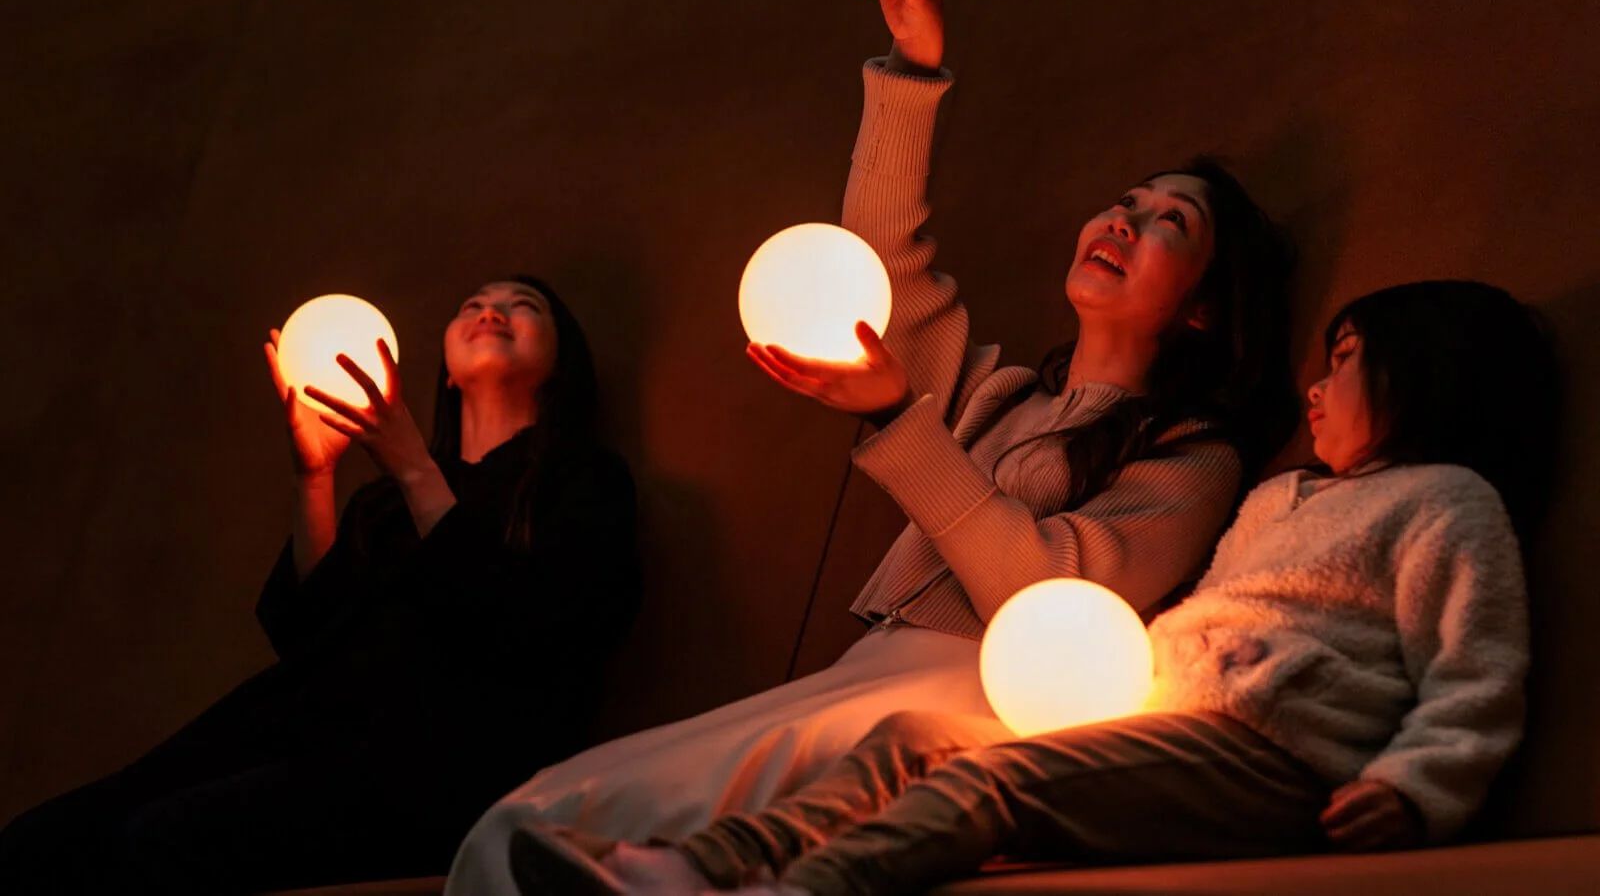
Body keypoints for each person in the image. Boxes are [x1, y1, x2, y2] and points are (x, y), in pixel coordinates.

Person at [443, 0, 1299, 895]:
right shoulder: (998, 395)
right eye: (1124, 201)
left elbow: (1042, 594)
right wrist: (913, 71)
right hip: (864, 666)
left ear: (1203, 307)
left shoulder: (1193, 457)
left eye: (1167, 222)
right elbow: (882, 264)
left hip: (963, 697)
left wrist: (901, 418)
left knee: (556, 830)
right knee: (525, 818)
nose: (1122, 219)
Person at [509, 279, 1558, 896]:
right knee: (918, 734)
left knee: (992, 780)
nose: (1315, 386)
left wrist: (1419, 785)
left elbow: (1475, 666)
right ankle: (695, 864)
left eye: (1344, 359)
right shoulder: (1283, 494)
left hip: (1277, 752)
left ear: (1424, 375)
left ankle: (791, 893)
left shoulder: (1446, 501)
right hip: (1169, 719)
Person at [0, 277, 640, 895]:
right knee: (38, 845)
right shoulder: (380, 504)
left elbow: (539, 624)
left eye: (522, 305)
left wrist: (416, 468)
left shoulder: (582, 481)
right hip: (299, 736)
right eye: (473, 303)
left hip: (441, 767)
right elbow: (310, 638)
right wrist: (315, 478)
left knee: (161, 840)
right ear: (445, 369)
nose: (492, 312)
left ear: (561, 363)